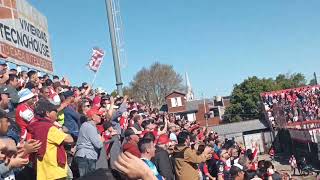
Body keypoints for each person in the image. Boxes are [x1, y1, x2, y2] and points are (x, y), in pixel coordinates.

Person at [28, 100, 74, 180]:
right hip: (53, 171)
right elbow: (70, 139)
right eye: (54, 111)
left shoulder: (36, 125)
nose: (57, 113)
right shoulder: (49, 128)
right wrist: (59, 127)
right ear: (47, 113)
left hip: (43, 170)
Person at [75, 108, 104, 177]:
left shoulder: (85, 125)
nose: (101, 117)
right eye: (99, 115)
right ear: (93, 117)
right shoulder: (90, 127)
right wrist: (102, 139)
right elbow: (99, 144)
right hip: (87, 156)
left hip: (84, 155)